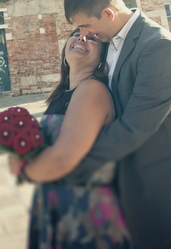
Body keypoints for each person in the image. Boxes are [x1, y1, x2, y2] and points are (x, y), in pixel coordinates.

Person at [44, 0, 171, 248]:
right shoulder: (106, 41)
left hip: (164, 191)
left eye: (86, 25)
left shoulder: (158, 47)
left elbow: (133, 129)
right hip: (128, 190)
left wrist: (67, 162)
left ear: (108, 13)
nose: (84, 34)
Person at [8, 29, 132, 248]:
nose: (82, 38)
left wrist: (24, 170)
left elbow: (62, 159)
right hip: (57, 206)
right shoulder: (62, 94)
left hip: (85, 213)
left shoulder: (92, 90)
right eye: (76, 34)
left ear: (102, 59)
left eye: (92, 39)